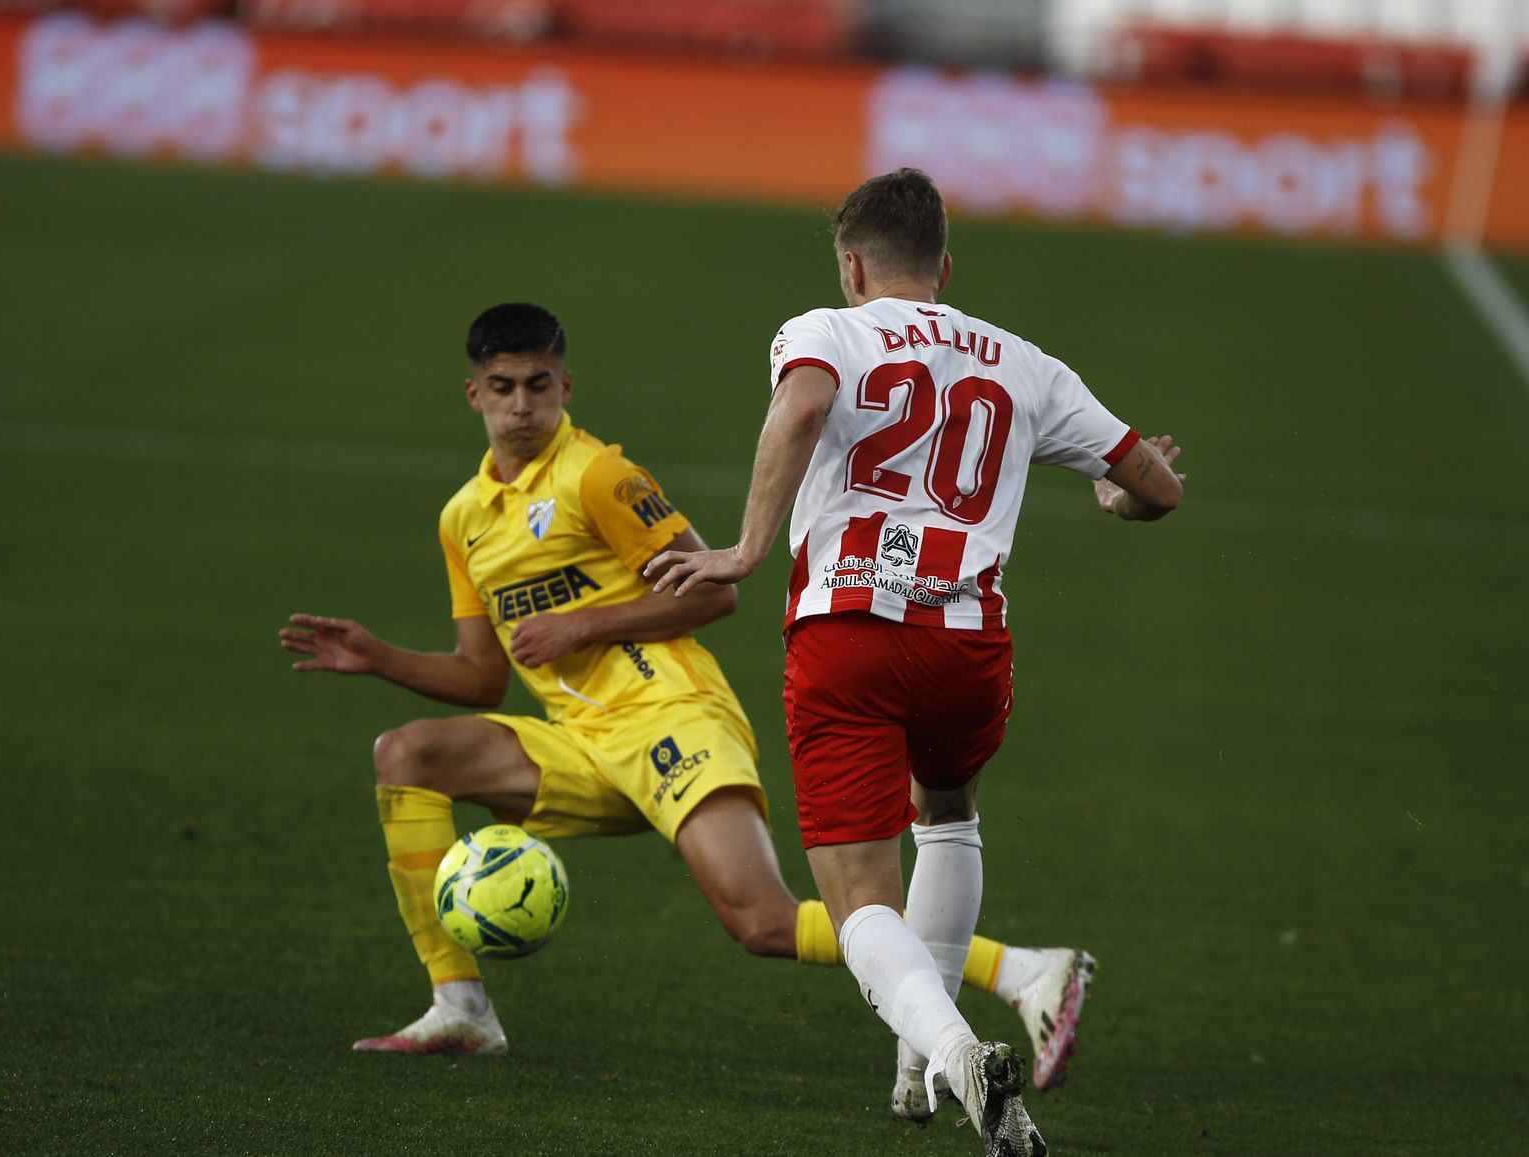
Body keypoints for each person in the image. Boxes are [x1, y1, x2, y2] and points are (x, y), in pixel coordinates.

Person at [278, 302, 1087, 1061]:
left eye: (537, 385)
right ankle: (461, 1007)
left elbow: (715, 587)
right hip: (581, 743)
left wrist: (583, 623)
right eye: (502, 388)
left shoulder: (597, 476)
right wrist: (379, 656)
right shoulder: (465, 517)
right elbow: (485, 676)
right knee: (406, 754)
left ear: (565, 386)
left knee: (763, 922)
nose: (521, 405)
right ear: (473, 393)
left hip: (675, 720)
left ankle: (1020, 969)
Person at [647, 169, 1185, 1156]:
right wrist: (1117, 502)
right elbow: (1151, 482)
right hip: (968, 641)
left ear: (852, 264)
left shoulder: (825, 330)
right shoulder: (1026, 362)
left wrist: (744, 546)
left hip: (847, 631)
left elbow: (805, 404)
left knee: (855, 894)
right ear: (945, 265)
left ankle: (949, 1044)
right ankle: (914, 1066)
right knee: (946, 804)